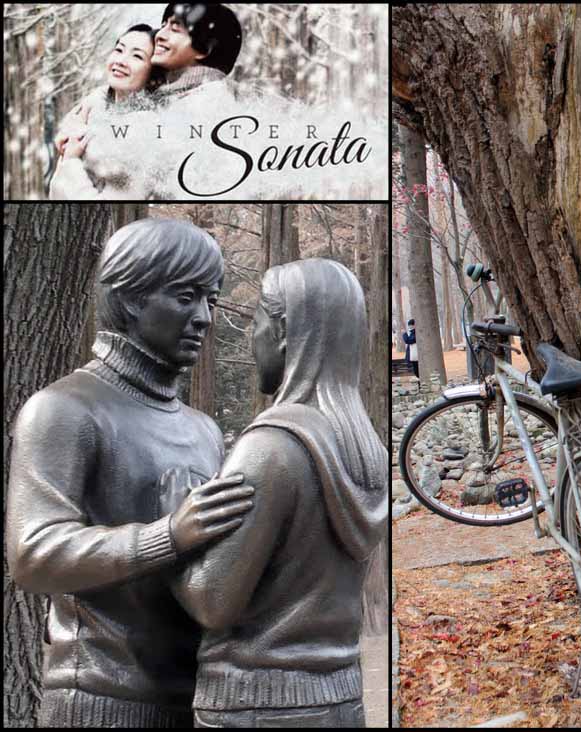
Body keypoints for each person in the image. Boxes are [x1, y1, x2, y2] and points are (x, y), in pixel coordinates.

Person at [6, 219, 255, 727]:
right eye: (185, 297)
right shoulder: (64, 410)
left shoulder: (203, 429)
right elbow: (34, 555)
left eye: (210, 299)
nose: (204, 317)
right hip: (99, 700)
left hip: (195, 700)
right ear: (133, 297)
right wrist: (167, 536)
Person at [170, 259, 388, 728]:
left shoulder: (269, 448)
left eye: (257, 323)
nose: (252, 340)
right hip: (340, 699)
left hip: (253, 703)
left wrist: (170, 528)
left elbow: (212, 601)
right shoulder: (365, 447)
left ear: (286, 332)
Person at [49, 24, 165, 199]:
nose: (121, 61)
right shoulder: (89, 110)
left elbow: (98, 207)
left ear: (153, 74)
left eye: (137, 56)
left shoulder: (143, 139)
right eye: (119, 50)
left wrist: (71, 161)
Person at [150, 3, 243, 104]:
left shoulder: (211, 97)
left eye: (175, 29)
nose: (159, 35)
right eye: (163, 26)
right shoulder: (176, 94)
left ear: (203, 49)